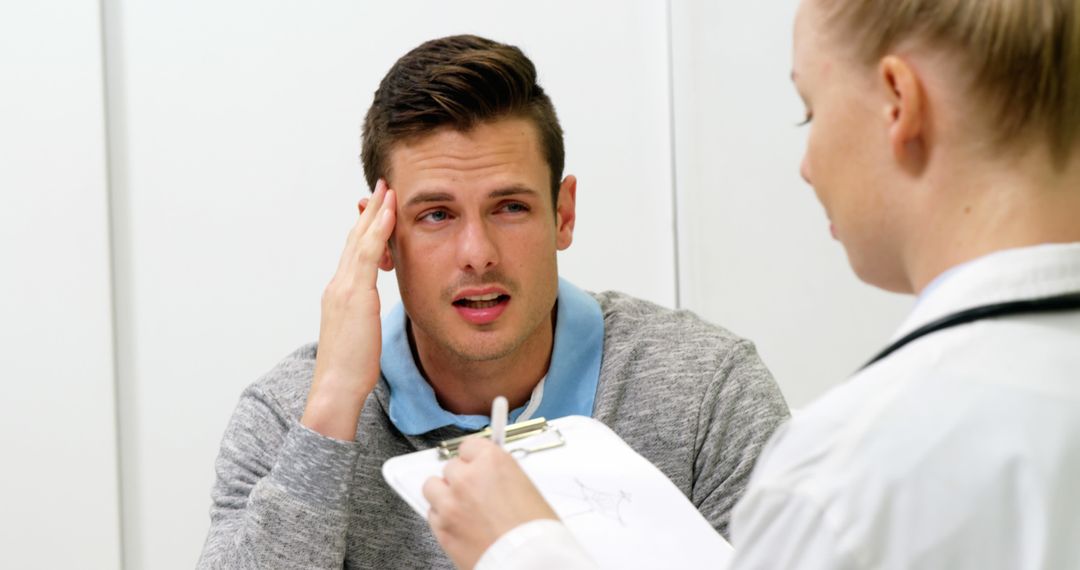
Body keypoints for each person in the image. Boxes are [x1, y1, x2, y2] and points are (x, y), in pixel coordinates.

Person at [421, 0, 1080, 568]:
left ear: (899, 102)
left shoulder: (844, 478)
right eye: (437, 214)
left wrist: (525, 553)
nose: (807, 166)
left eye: (809, 111)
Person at [196, 34, 790, 569]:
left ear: (563, 213)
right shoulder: (289, 416)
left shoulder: (708, 392)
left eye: (510, 207)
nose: (477, 253)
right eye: (436, 215)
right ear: (380, 237)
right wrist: (330, 409)